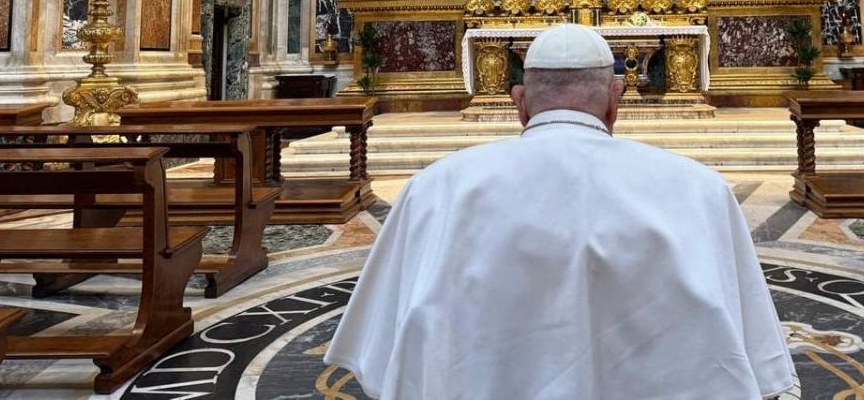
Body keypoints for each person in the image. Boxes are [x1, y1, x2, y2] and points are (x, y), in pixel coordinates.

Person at [325, 24, 797, 400]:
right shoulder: (700, 191)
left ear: (519, 102)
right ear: (614, 101)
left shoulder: (434, 191)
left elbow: (381, 357)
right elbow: (755, 361)